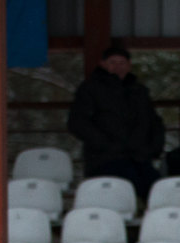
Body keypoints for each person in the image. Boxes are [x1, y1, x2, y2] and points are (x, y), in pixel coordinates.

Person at [66, 43, 165, 198]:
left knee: (159, 190)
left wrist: (153, 148)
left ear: (129, 65)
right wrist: (106, 145)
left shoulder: (139, 91)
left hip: (139, 157)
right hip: (105, 159)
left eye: (122, 63)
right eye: (113, 62)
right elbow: (78, 122)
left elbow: (154, 122)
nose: (117, 67)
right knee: (131, 187)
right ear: (103, 64)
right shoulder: (90, 89)